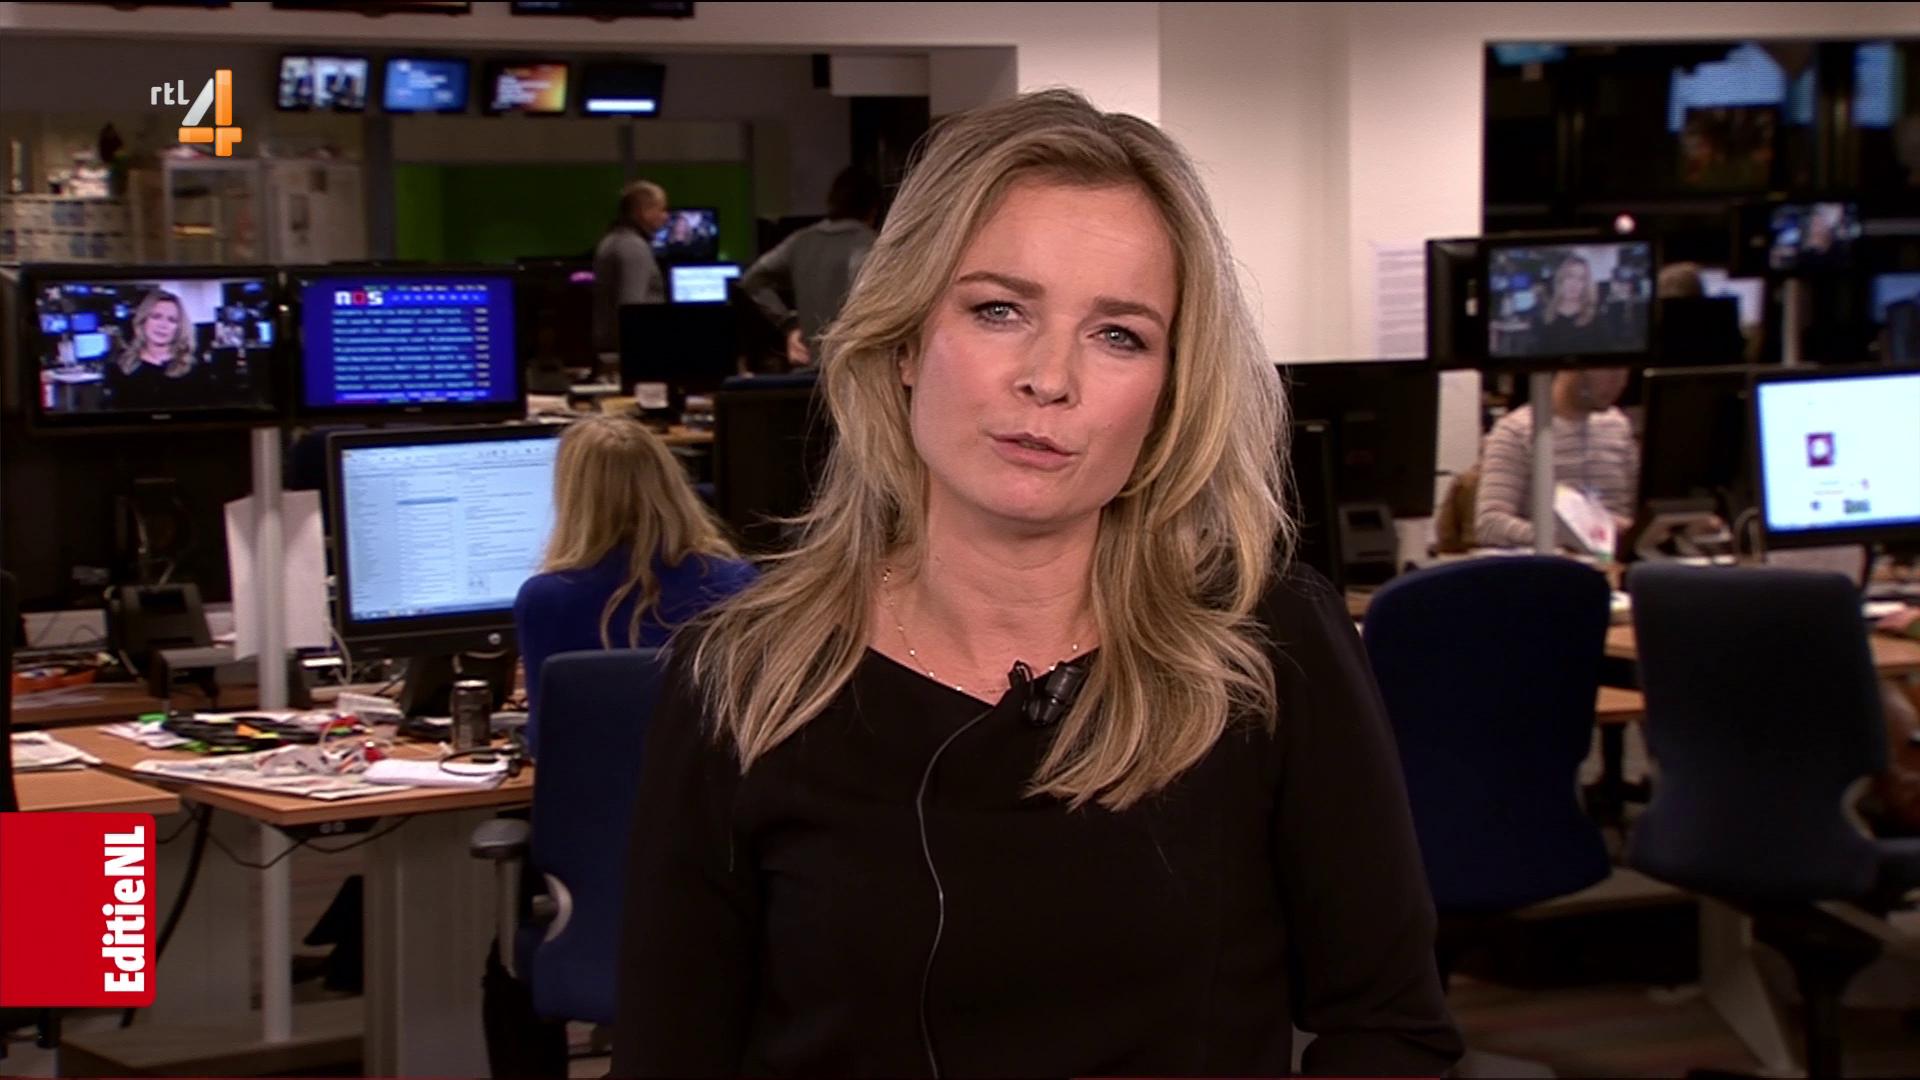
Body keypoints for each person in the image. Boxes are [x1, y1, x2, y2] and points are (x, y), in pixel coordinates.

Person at [612, 89, 1462, 1077]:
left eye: (1119, 335)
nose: (1050, 378)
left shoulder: (1269, 645)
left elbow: (1392, 1029)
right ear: (904, 342)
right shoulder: (743, 677)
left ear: (1169, 392)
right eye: (999, 310)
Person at [513, 415, 755, 752]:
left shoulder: (546, 599)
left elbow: (545, 743)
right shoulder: (735, 584)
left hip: (594, 784)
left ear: (572, 499)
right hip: (703, 783)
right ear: (670, 485)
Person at [1474, 367, 1639, 550]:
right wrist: (1568, 537)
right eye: (1609, 370)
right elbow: (1490, 525)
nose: (1619, 383)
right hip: (1557, 558)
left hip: (1618, 558)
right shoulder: (1517, 431)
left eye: (1624, 371)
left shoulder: (1618, 425)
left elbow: (1637, 509)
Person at [740, 167, 881, 367]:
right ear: (873, 210)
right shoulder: (874, 245)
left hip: (809, 370)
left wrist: (788, 322)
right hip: (859, 369)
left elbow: (752, 279)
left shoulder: (800, 241)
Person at [591, 179, 670, 368]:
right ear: (644, 211)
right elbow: (631, 311)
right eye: (661, 209)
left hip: (612, 352)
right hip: (632, 356)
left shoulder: (610, 240)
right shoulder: (634, 247)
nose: (666, 216)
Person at [105, 288, 204, 411]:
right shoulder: (121, 367)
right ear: (143, 321)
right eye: (156, 317)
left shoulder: (194, 369)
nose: (163, 325)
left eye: (172, 320)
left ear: (179, 328)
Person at [1532, 253, 1620, 356]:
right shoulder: (1544, 317)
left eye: (1581, 279)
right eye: (1570, 276)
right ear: (1561, 280)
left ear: (1585, 285)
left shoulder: (1596, 318)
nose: (1574, 283)